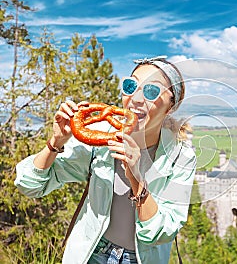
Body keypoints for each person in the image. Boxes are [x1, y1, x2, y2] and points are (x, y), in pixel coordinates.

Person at [15, 56, 196, 264]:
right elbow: (29, 185)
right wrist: (56, 141)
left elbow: (162, 233)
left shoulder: (181, 157)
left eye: (151, 91)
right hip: (91, 253)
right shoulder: (100, 138)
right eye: (131, 86)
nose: (136, 99)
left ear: (172, 105)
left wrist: (136, 178)